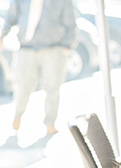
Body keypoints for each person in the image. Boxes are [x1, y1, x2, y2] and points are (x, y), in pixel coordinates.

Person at [0, 0, 76, 136]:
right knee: (22, 86)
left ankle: (50, 123)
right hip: (26, 48)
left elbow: (70, 22)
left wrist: (68, 45)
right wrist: (2, 36)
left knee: (52, 87)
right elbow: (11, 17)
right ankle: (18, 115)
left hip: (53, 48)